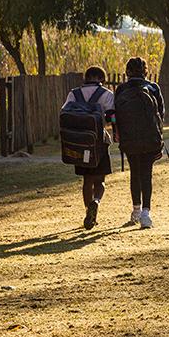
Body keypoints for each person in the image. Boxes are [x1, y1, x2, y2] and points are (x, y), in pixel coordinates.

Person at [62, 66, 115, 230]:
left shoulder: (74, 94)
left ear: (86, 78)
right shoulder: (106, 94)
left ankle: (87, 211)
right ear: (101, 78)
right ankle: (96, 202)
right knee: (100, 181)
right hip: (99, 142)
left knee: (87, 180)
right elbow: (112, 116)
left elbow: (64, 113)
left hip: (79, 143)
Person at [114, 57, 164, 229]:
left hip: (129, 139)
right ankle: (146, 213)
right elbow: (161, 115)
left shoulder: (121, 89)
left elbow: (115, 115)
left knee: (134, 172)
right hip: (150, 138)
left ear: (127, 72)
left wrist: (117, 132)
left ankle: (135, 209)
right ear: (145, 72)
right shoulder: (153, 88)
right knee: (146, 174)